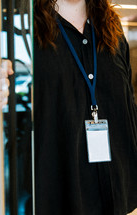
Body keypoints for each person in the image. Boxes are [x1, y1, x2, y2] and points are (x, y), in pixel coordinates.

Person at [34, 0, 137, 214]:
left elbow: (128, 108)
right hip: (58, 194)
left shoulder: (113, 29)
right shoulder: (29, 27)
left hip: (119, 193)